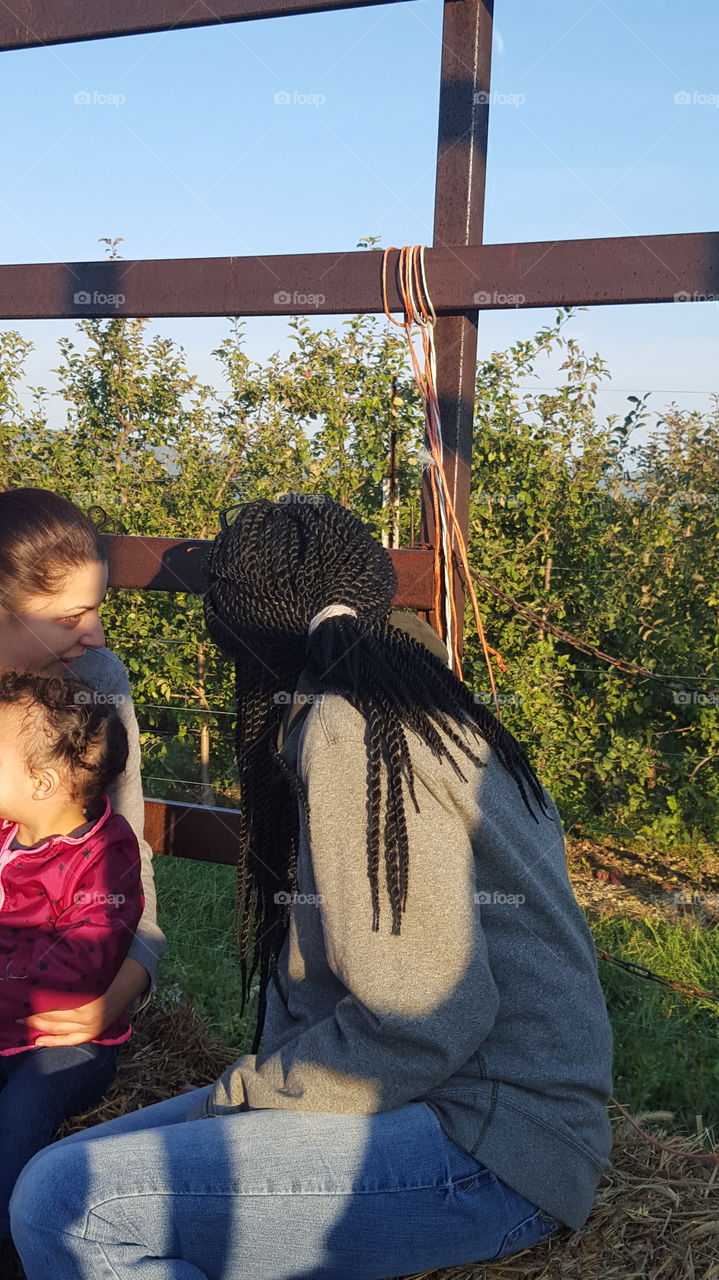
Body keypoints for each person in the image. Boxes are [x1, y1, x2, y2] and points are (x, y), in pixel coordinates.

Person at [10, 496, 614, 1280]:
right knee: (61, 1177)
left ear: (250, 630)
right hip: (427, 1096)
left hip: (483, 1140)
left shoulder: (347, 727)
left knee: (69, 1203)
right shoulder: (405, 679)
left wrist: (250, 1097)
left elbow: (425, 1022)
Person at [0, 488, 166, 1040]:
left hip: (46, 1007)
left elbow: (126, 857)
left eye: (96, 609)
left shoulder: (98, 684)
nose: (96, 635)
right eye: (73, 615)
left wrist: (114, 996)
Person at [0, 669, 144, 1240]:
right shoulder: (8, 832)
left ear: (41, 782)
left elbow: (78, 968)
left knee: (21, 1114)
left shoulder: (104, 858)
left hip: (64, 1042)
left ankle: (11, 1241)